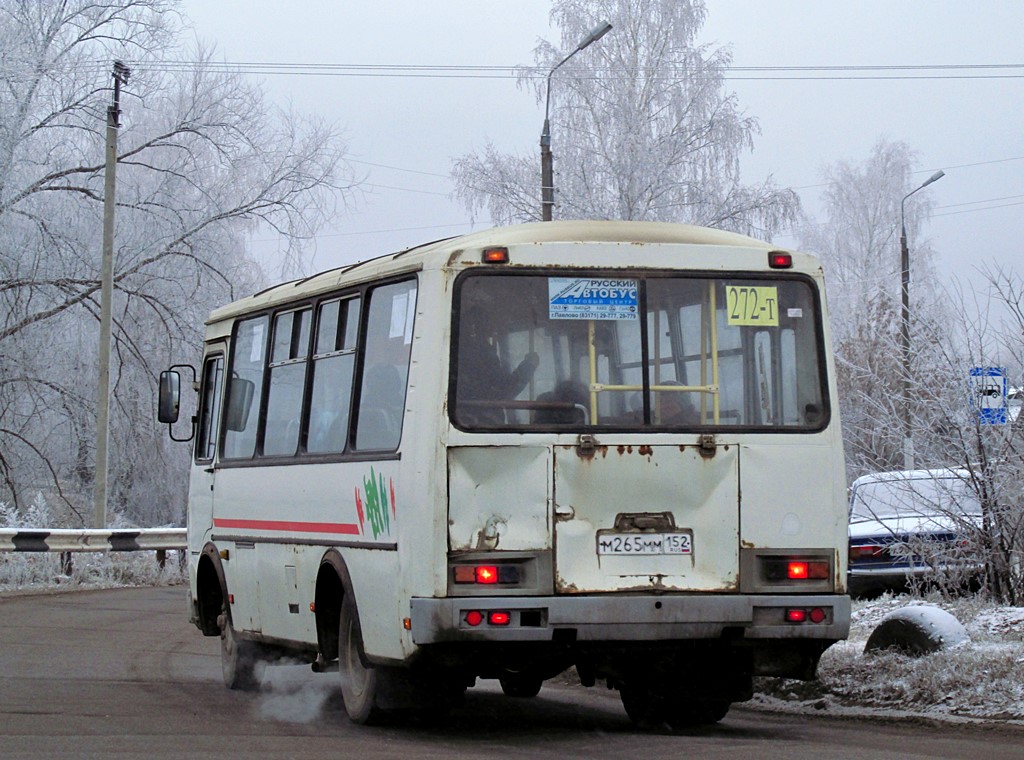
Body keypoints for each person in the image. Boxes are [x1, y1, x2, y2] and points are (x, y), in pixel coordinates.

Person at [456, 310, 539, 425]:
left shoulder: (455, 351)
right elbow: (504, 389)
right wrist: (529, 366)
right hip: (482, 419)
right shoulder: (483, 352)